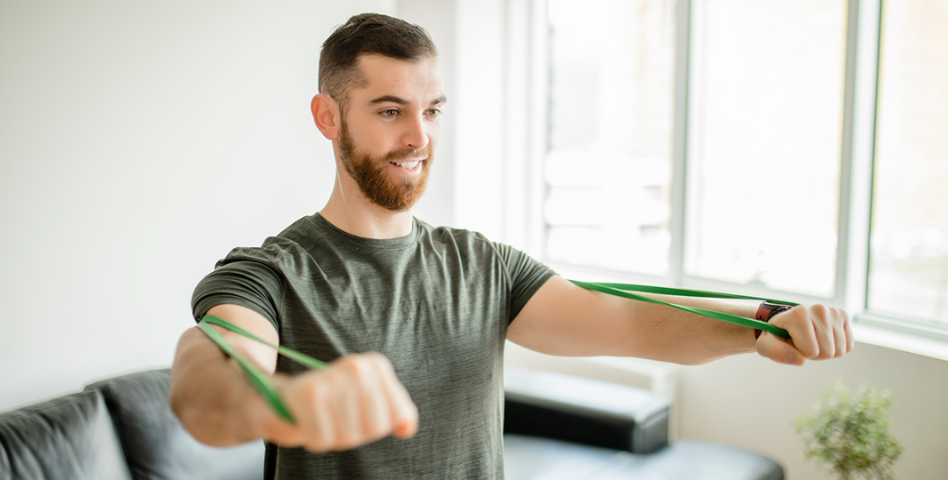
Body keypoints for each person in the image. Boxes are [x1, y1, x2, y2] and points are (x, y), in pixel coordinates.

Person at [169, 12, 853, 479]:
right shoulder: (270, 275)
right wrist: (278, 404)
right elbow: (208, 377)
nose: (419, 137)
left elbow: (633, 322)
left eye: (431, 110)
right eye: (389, 111)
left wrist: (760, 322)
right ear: (328, 117)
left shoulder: (482, 264)